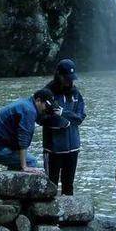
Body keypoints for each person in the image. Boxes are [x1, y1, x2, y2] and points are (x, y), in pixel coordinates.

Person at [0, 89, 55, 172]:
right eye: (46, 105)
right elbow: (23, 139)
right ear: (38, 100)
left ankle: (10, 182)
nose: (46, 109)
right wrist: (24, 166)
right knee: (31, 161)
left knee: (20, 159)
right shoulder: (29, 110)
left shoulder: (26, 103)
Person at [41, 58, 86, 195]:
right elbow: (40, 118)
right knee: (51, 185)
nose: (69, 81)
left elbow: (80, 117)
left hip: (73, 148)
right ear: (58, 75)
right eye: (66, 78)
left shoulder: (75, 93)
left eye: (71, 78)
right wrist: (58, 121)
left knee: (69, 185)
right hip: (53, 149)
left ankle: (70, 214)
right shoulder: (47, 93)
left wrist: (63, 113)